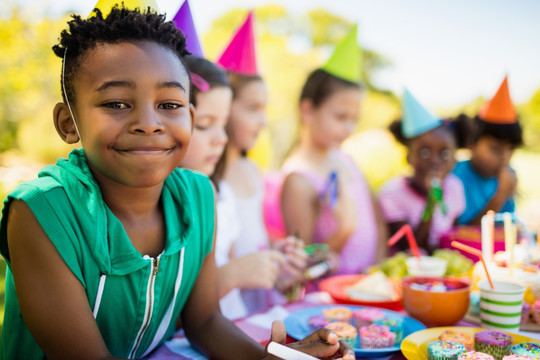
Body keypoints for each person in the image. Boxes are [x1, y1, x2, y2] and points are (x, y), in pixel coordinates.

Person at [0, 6, 354, 359]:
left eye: (169, 104)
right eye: (117, 103)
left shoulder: (199, 197)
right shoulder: (42, 213)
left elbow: (205, 322)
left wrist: (271, 357)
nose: (149, 123)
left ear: (190, 115)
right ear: (68, 123)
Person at [179, 54, 296, 320]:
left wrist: (273, 262)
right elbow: (172, 308)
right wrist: (233, 275)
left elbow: (230, 263)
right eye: (205, 125)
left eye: (222, 125)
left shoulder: (222, 195)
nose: (221, 138)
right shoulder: (163, 204)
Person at [216, 11, 307, 314]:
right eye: (253, 108)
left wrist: (277, 253)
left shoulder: (252, 170)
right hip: (223, 301)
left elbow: (255, 238)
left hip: (256, 299)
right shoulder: (207, 179)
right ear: (222, 109)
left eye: (264, 109)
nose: (263, 121)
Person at [278, 25, 388, 275]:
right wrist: (344, 230)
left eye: (354, 119)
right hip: (329, 301)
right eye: (340, 117)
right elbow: (299, 268)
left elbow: (378, 222)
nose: (349, 127)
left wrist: (377, 271)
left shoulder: (346, 160)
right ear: (307, 111)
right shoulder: (298, 179)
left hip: (368, 289)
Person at [378, 89, 469, 253]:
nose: (434, 161)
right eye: (424, 152)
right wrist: (431, 201)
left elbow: (451, 239)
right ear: (408, 156)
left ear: (455, 160)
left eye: (444, 153)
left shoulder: (455, 187)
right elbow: (413, 249)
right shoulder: (391, 194)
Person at [453, 76, 523, 225]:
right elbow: (462, 233)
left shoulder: (506, 176)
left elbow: (507, 224)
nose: (504, 157)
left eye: (510, 149)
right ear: (471, 143)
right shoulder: (456, 178)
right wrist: (500, 196)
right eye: (495, 149)